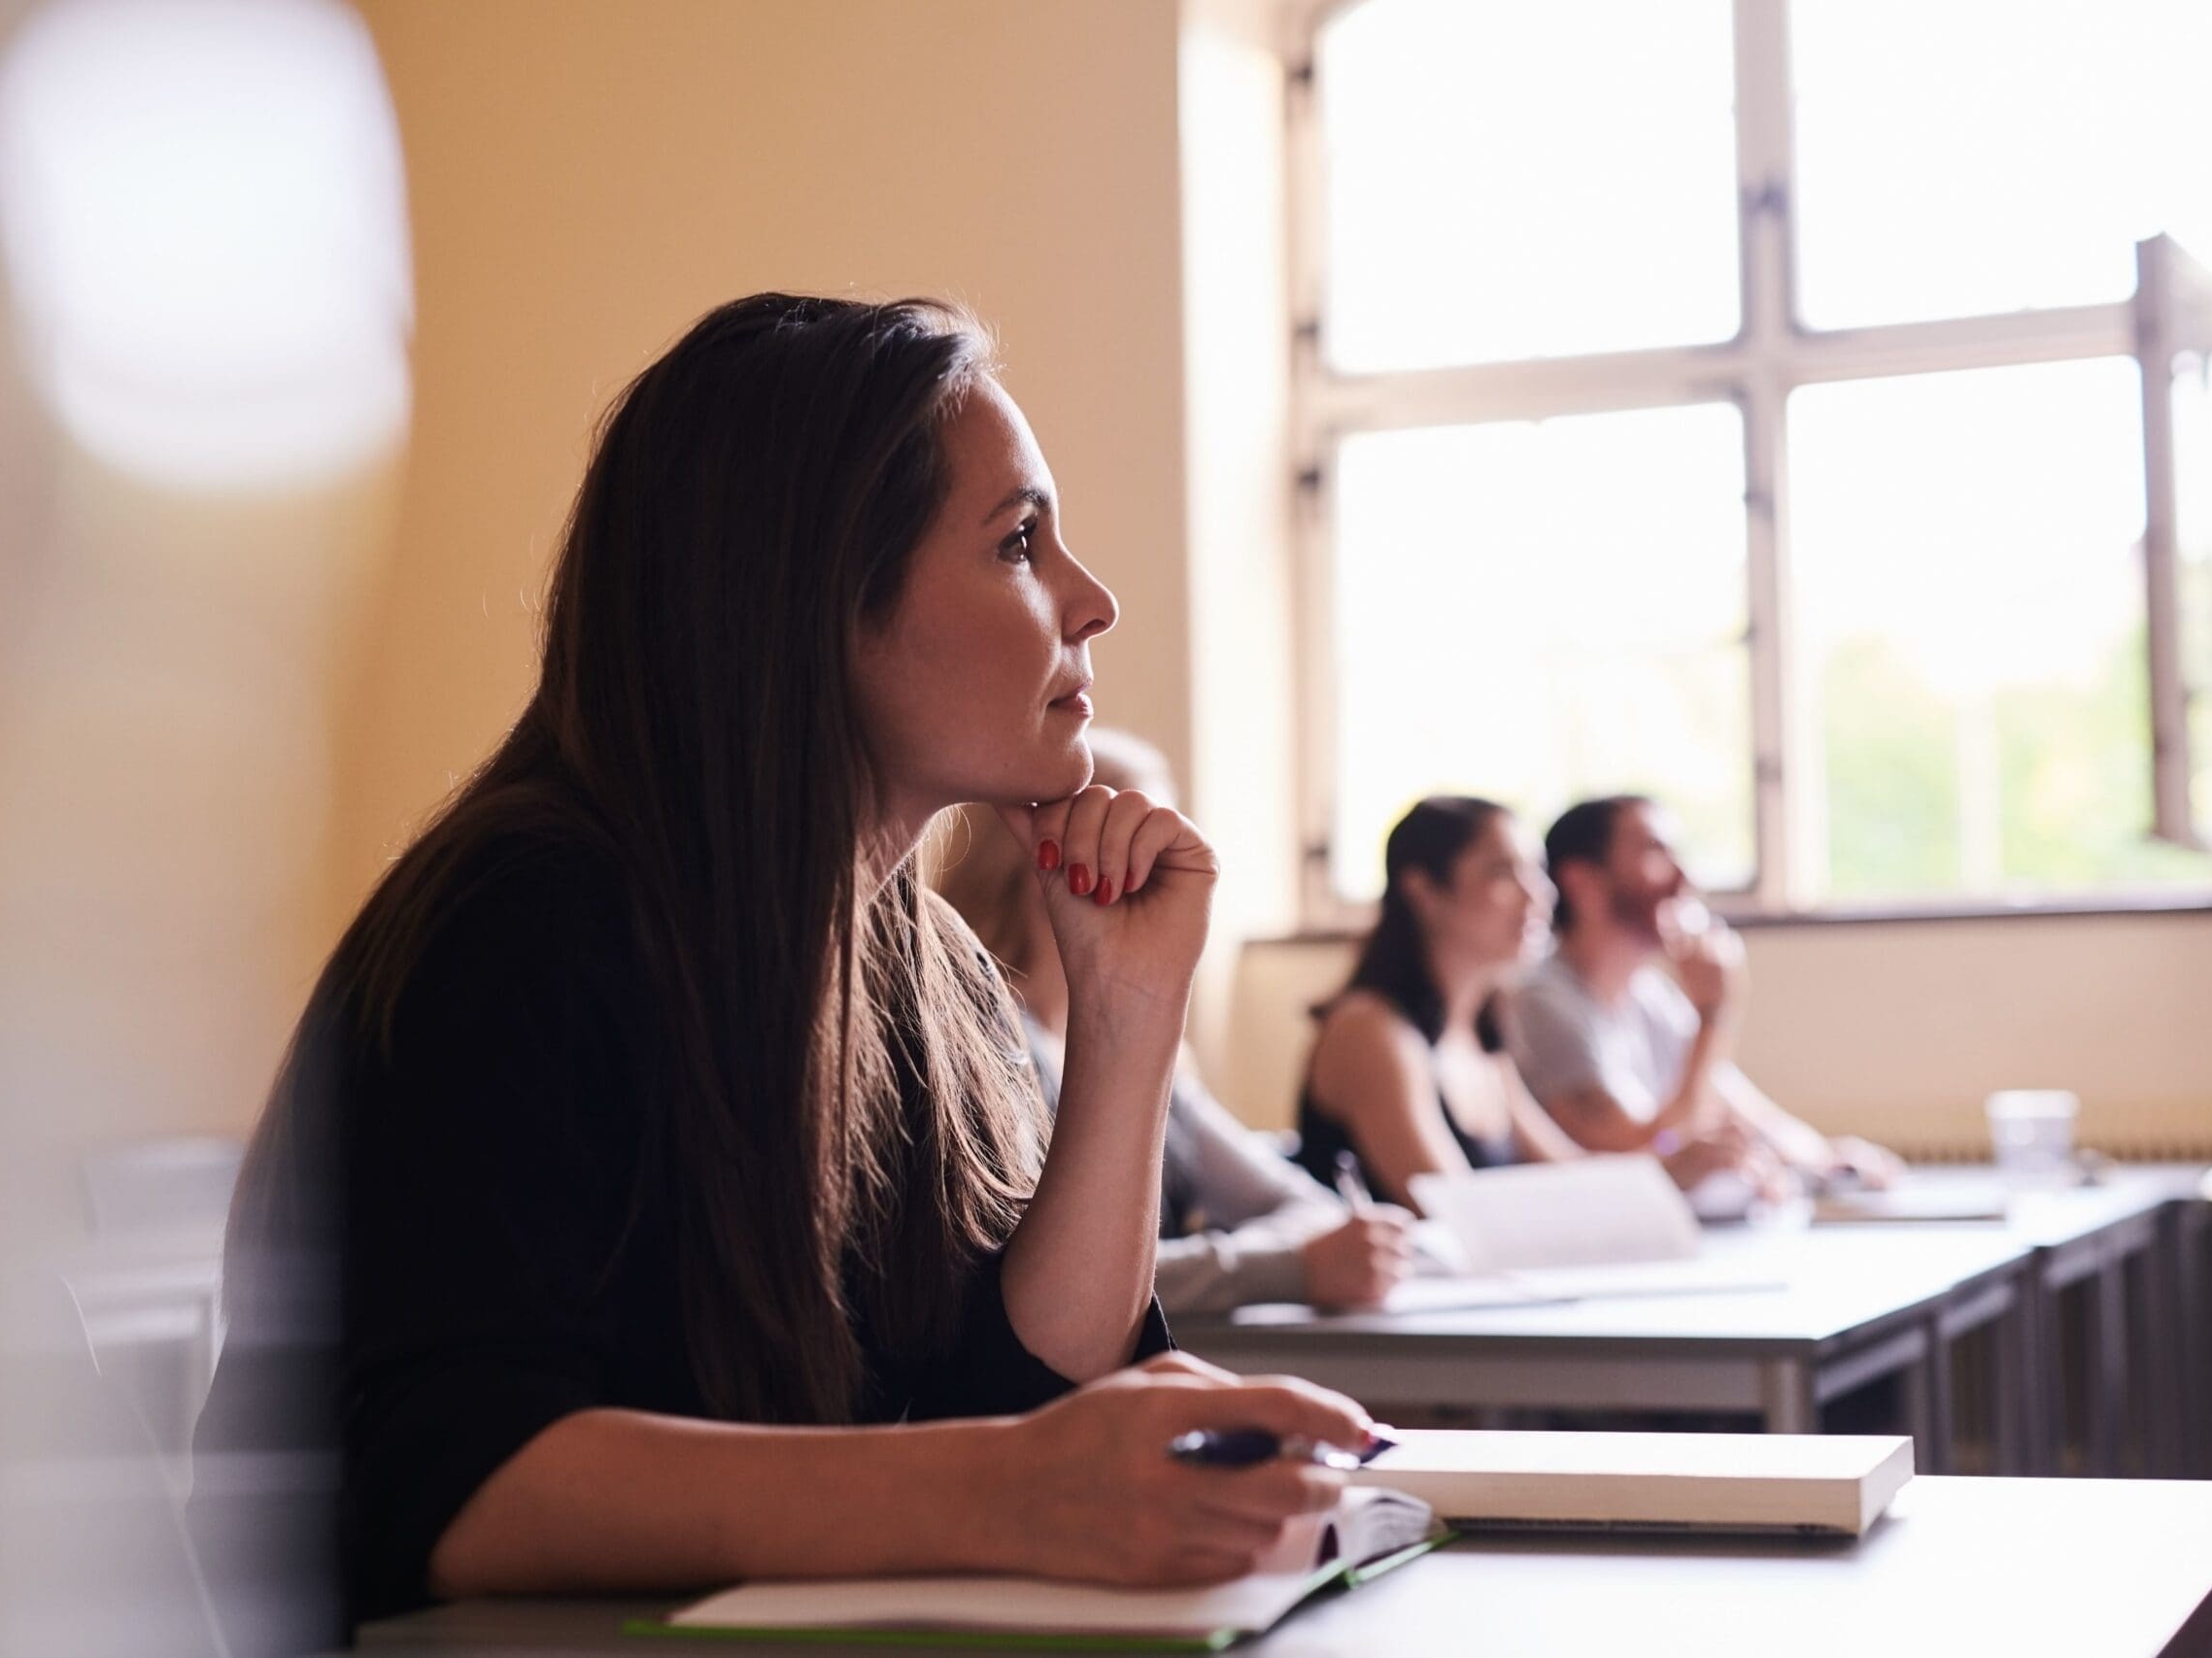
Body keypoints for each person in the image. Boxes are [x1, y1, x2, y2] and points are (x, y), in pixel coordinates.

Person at [192, 294, 1371, 1641]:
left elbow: (1030, 1387)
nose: (1091, 602)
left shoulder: (914, 955)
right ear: (808, 600)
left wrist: (1128, 1012)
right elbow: (448, 1477)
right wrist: (1000, 1491)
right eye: (1018, 543)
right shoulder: (520, 925)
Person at [938, 728, 1414, 1314]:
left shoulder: (1142, 1042)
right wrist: (1278, 1268)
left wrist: (1220, 1263)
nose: (1165, 867)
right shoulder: (979, 1042)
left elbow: (1306, 1206)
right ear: (1038, 850)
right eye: (1132, 837)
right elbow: (1025, 1284)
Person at [1503, 795, 1903, 1209]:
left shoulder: (1649, 996)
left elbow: (1731, 1104)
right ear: (1581, 881)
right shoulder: (1543, 1002)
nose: (1683, 879)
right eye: (1655, 853)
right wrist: (1713, 1013)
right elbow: (1644, 1145)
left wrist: (1824, 1157)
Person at [1292, 796, 1601, 1213]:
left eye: (1537, 871)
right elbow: (1460, 1214)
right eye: (1503, 872)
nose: (1538, 895)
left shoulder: (1478, 1031)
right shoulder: (1370, 1030)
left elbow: (1570, 1175)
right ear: (1423, 889)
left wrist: (1672, 1171)